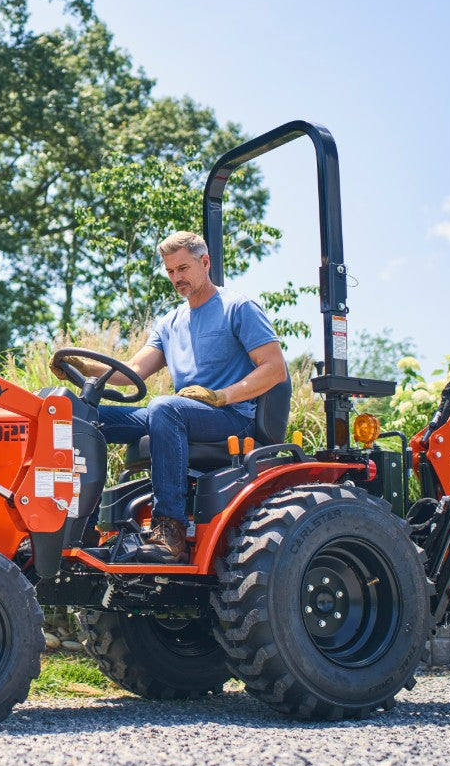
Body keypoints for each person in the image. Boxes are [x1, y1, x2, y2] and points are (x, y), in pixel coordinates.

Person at [52, 231, 286, 562]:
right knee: (83, 418)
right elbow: (132, 369)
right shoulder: (170, 322)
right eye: (170, 271)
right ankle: (79, 527)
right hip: (183, 413)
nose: (177, 278)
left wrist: (221, 396)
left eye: (183, 268)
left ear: (205, 262)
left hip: (232, 417)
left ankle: (169, 529)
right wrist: (82, 366)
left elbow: (275, 368)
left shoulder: (239, 308)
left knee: (165, 408)